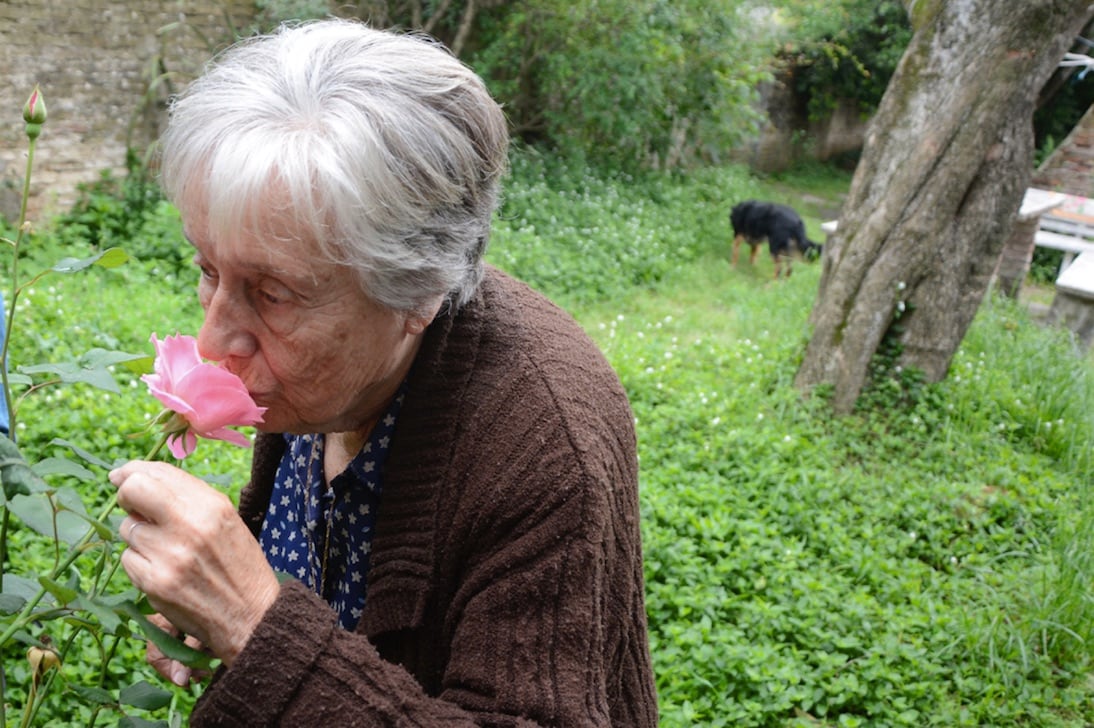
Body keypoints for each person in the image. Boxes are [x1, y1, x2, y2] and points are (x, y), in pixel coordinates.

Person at [109, 18, 657, 726]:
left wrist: (256, 627)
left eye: (273, 293)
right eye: (208, 269)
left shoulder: (547, 450)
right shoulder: (326, 378)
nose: (214, 342)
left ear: (417, 294)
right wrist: (215, 603)